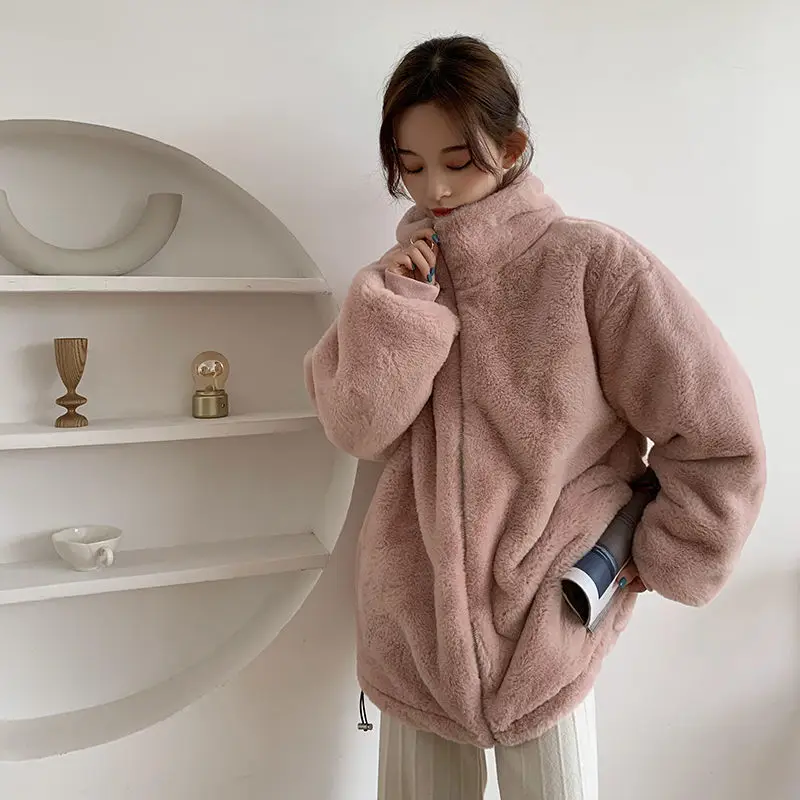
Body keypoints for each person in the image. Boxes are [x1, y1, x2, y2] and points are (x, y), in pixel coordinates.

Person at [304, 35, 766, 800]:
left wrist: (663, 554)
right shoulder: (395, 286)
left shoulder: (592, 265)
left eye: (458, 161)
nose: (434, 188)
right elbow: (357, 429)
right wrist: (399, 306)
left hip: (552, 622)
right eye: (411, 166)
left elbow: (717, 429)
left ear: (511, 147)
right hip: (414, 633)